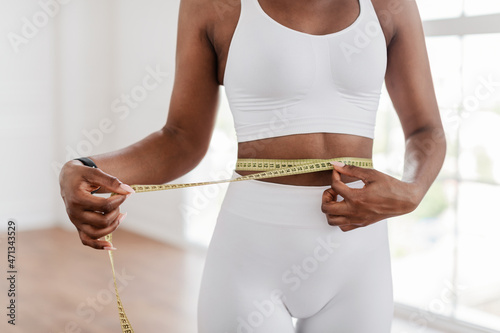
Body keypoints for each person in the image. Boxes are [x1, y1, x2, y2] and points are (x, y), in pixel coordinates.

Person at [59, 0, 446, 331]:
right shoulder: (214, 6)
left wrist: (412, 191)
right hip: (251, 258)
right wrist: (85, 167)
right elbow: (181, 140)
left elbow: (427, 130)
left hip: (359, 258)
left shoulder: (390, 6)